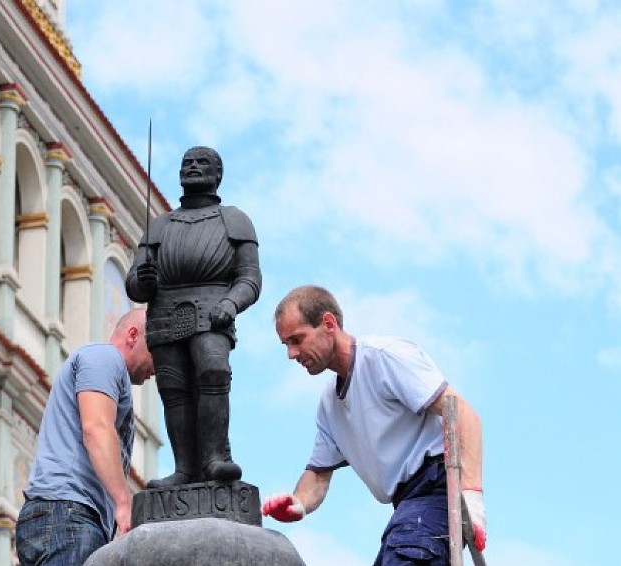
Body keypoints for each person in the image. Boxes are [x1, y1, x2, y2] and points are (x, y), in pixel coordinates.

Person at [262, 286, 486, 566]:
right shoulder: (330, 403)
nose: (292, 354)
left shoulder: (385, 357)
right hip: (405, 506)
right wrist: (298, 503)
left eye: (297, 339)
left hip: (435, 489)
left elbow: (462, 413)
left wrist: (471, 497)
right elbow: (318, 475)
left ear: (328, 324)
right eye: (286, 344)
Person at [126, 146, 262, 487]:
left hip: (213, 307)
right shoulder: (159, 225)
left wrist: (231, 303)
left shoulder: (234, 219)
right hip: (165, 312)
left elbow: (250, 277)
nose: (193, 167)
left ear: (217, 173)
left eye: (202, 163)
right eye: (187, 163)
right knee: (174, 388)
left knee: (214, 371)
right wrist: (144, 281)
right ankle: (185, 468)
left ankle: (216, 457)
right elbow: (135, 283)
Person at [15, 308, 154, 566]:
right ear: (133, 336)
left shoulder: (104, 365)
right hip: (68, 518)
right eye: (155, 351)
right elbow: (97, 428)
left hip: (60, 519)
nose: (156, 368)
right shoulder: (105, 358)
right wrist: (123, 502)